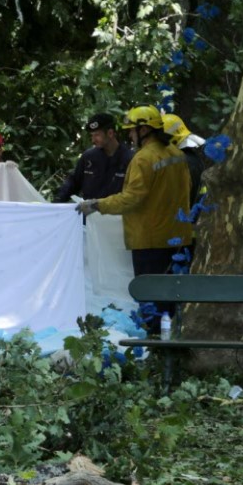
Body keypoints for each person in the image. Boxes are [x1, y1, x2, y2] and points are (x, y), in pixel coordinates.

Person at [79, 105, 190, 332]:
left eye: (132, 130)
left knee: (150, 301)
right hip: (178, 238)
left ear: (145, 130)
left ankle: (155, 350)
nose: (129, 135)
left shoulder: (143, 160)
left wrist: (97, 205)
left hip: (150, 241)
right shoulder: (177, 155)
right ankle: (173, 345)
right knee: (173, 299)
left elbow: (131, 199)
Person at [54, 113, 134, 203]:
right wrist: (57, 201)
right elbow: (74, 182)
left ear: (110, 133)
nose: (93, 140)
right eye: (92, 135)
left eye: (97, 135)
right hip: (89, 213)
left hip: (117, 214)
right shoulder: (89, 157)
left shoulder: (130, 159)